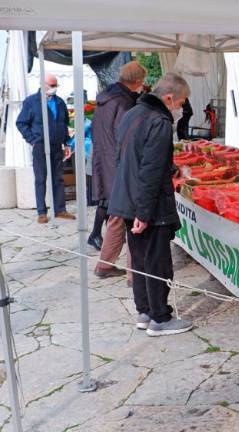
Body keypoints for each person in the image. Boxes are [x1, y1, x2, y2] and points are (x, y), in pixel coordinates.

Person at [108, 72, 193, 337]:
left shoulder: (133, 112)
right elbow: (150, 170)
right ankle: (160, 318)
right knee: (157, 263)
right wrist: (144, 213)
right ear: (169, 98)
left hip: (126, 198)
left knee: (141, 261)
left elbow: (134, 157)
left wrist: (170, 167)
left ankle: (144, 312)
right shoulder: (159, 122)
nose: (180, 109)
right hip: (149, 206)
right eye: (180, 103)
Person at [91, 61, 146, 278]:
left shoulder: (106, 100)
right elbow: (127, 140)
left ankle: (104, 266)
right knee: (132, 218)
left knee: (116, 217)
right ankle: (136, 275)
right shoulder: (123, 103)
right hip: (120, 168)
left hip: (105, 165)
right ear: (137, 81)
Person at [16, 73, 76, 223]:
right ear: (43, 85)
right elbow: (21, 122)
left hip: (57, 145)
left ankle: (60, 209)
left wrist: (67, 142)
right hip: (40, 145)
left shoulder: (60, 102)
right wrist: (32, 140)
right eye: (52, 85)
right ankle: (42, 212)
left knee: (58, 178)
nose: (55, 88)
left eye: (56, 85)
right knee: (41, 178)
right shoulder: (31, 102)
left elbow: (64, 124)